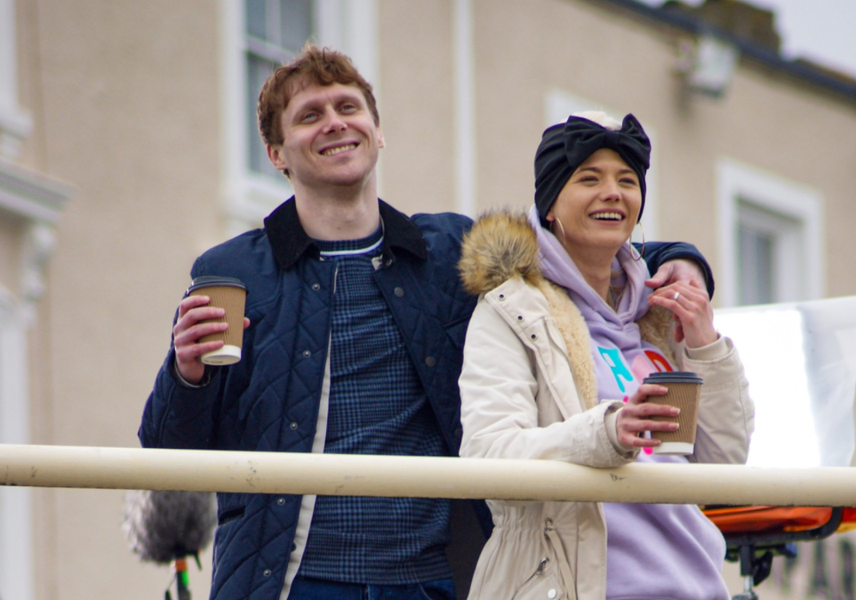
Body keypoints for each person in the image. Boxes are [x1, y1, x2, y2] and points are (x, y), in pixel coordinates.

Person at [139, 45, 717, 600]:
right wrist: (186, 373)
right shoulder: (232, 270)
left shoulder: (449, 250)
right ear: (276, 153)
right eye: (309, 115)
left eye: (348, 107)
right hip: (285, 583)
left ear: (378, 130)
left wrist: (682, 262)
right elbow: (169, 454)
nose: (334, 124)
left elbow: (579, 239)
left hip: (424, 582)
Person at [457, 112, 755, 599]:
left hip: (695, 587)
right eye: (588, 178)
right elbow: (489, 458)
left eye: (627, 180)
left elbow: (722, 470)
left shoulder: (658, 312)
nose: (613, 193)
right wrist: (607, 432)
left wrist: (707, 347)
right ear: (550, 203)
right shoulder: (511, 308)